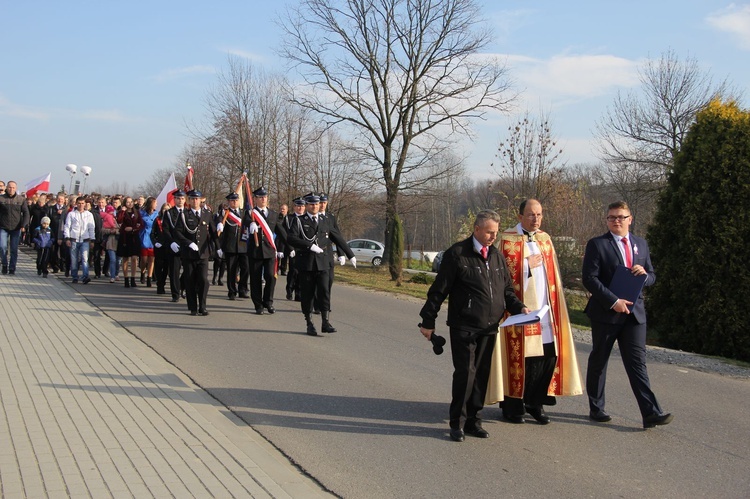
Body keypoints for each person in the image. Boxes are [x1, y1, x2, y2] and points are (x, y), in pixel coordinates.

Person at [419, 210, 529, 442]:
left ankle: (473, 421)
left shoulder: (497, 257)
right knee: (465, 375)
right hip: (464, 325)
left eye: (495, 233)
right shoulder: (457, 254)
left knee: (481, 376)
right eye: (489, 232)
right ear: (476, 229)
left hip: (489, 327)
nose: (492, 237)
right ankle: (457, 422)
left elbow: (507, 291)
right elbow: (439, 290)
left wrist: (520, 308)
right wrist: (428, 320)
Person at [486, 199, 582, 425]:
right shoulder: (508, 240)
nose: (535, 219)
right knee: (521, 358)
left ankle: (535, 402)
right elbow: (502, 276)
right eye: (530, 215)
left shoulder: (545, 239)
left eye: (539, 214)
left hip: (546, 310)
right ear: (520, 217)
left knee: (547, 356)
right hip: (519, 311)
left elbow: (553, 277)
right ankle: (512, 406)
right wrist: (526, 264)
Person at [582, 201, 673, 429]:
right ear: (607, 220)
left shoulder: (640, 244)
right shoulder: (597, 244)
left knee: (637, 364)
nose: (616, 221)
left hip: (634, 315)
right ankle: (597, 407)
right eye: (612, 217)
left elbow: (652, 275)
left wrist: (645, 275)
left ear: (630, 219)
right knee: (599, 361)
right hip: (606, 313)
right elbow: (589, 278)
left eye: (621, 217)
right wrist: (613, 301)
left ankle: (651, 413)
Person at [286, 194, 356, 336]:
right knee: (308, 294)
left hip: (323, 261)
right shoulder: (299, 221)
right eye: (312, 204)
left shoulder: (325, 220)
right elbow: (291, 238)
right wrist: (309, 246)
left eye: (317, 204)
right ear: (307, 206)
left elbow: (337, 237)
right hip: (307, 263)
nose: (315, 207)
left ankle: (325, 322)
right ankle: (309, 323)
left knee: (324, 291)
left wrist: (350, 254)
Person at [171, 189, 218, 316]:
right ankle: (193, 307)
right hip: (189, 254)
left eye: (197, 199)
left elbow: (213, 232)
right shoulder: (184, 215)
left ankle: (202, 306)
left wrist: (218, 247)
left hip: (203, 253)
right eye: (192, 199)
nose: (195, 201)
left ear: (201, 200)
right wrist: (188, 243)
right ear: (189, 201)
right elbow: (177, 232)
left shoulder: (207, 214)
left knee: (203, 280)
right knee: (190, 280)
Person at [246, 187, 286, 315]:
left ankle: (268, 302)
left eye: (265, 197)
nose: (263, 199)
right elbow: (245, 221)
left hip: (270, 252)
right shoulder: (250, 214)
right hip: (255, 251)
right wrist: (250, 224)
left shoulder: (273, 214)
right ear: (255, 199)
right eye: (260, 197)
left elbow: (282, 233)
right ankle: (258, 305)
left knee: (270, 277)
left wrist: (290, 246)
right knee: (256, 279)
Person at [216, 193, 249, 300]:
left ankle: (242, 289)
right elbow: (219, 222)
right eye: (232, 201)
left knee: (246, 268)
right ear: (229, 202)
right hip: (230, 246)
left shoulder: (244, 213)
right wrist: (220, 223)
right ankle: (232, 291)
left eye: (236, 200)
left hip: (243, 245)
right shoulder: (225, 213)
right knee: (232, 270)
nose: (234, 202)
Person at [63, 196, 96, 284]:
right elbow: (67, 226)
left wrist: (92, 240)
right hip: (74, 239)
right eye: (79, 203)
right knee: (74, 259)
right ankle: (75, 276)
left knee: (85, 259)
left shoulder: (89, 215)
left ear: (85, 204)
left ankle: (85, 276)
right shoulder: (71, 214)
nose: (81, 205)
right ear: (76, 204)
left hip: (85, 240)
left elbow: (91, 228)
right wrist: (67, 238)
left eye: (82, 203)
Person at [0, 181, 31, 275]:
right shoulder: (1, 199)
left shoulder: (21, 199)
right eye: (10, 187)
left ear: (16, 188)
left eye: (13, 188)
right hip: (3, 227)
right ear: (6, 188)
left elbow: (26, 213)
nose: (11, 189)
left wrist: (24, 225)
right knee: (2, 247)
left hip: (16, 228)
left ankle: (12, 267)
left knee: (14, 249)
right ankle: (4, 264)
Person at [162, 190, 186, 302]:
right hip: (173, 245)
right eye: (177, 198)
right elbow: (166, 229)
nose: (180, 200)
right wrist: (171, 242)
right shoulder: (169, 213)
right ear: (174, 200)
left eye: (182, 198)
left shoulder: (189, 212)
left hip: (186, 245)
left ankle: (182, 286)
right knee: (174, 271)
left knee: (189, 270)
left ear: (185, 200)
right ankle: (175, 293)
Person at [116, 197, 143, 288]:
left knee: (134, 258)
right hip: (125, 237)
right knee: (125, 258)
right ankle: (126, 278)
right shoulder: (122, 212)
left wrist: (133, 229)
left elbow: (140, 224)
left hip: (134, 237)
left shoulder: (136, 212)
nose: (130, 204)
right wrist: (122, 211)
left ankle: (133, 278)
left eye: (131, 202)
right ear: (124, 203)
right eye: (127, 202)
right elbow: (119, 221)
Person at [283, 197, 305, 301]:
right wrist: (290, 248)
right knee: (293, 271)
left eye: (302, 206)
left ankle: (299, 293)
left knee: (301, 272)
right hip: (293, 249)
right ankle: (289, 289)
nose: (301, 208)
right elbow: (285, 235)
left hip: (303, 249)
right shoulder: (289, 218)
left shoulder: (306, 218)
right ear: (294, 207)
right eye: (298, 206)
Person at [151, 203, 171, 294]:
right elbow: (152, 234)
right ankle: (159, 284)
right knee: (158, 266)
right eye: (164, 209)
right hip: (159, 246)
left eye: (167, 209)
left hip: (168, 247)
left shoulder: (172, 220)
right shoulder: (157, 220)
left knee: (166, 267)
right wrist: (155, 242)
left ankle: (162, 282)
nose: (166, 211)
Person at [138, 196, 159, 287]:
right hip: (144, 237)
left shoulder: (157, 214)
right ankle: (142, 272)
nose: (156, 205)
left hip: (153, 237)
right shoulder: (142, 213)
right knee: (144, 259)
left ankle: (149, 278)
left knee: (152, 259)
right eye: (155, 203)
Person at [46, 193, 68, 274]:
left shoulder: (67, 210)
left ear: (64, 200)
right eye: (59, 199)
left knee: (63, 251)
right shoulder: (51, 209)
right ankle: (55, 266)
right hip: (53, 232)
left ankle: (63, 266)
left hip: (63, 233)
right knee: (53, 251)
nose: (60, 201)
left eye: (62, 199)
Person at [101, 206, 120, 283]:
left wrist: (116, 231)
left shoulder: (118, 219)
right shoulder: (105, 220)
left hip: (119, 242)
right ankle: (112, 276)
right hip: (110, 242)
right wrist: (110, 231)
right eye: (109, 212)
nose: (111, 213)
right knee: (113, 260)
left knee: (118, 261)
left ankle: (116, 274)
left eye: (112, 211)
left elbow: (121, 229)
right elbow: (103, 230)